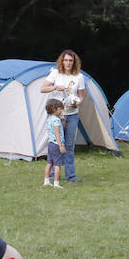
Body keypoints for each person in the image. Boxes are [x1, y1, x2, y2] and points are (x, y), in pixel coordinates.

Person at [39, 49, 85, 182]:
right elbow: (43, 88)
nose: (68, 63)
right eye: (66, 60)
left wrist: (76, 103)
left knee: (69, 146)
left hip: (72, 115)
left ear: (74, 62)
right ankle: (53, 175)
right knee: (55, 144)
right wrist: (54, 87)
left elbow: (81, 97)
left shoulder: (79, 77)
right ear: (62, 61)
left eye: (71, 60)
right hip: (56, 116)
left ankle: (71, 176)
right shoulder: (55, 73)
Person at [43, 99, 65, 188]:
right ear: (54, 109)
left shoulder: (49, 118)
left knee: (49, 163)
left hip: (50, 144)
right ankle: (56, 183)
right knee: (57, 165)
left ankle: (46, 181)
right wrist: (61, 146)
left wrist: (62, 119)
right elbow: (57, 133)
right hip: (56, 144)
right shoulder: (56, 120)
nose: (61, 110)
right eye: (60, 109)